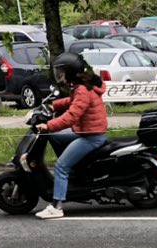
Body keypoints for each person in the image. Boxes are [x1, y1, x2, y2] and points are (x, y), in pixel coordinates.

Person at [33, 52, 108, 220]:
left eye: (61, 71)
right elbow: (71, 101)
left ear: (70, 71)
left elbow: (72, 116)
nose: (59, 75)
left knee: (61, 166)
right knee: (54, 136)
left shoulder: (82, 89)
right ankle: (74, 170)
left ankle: (57, 207)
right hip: (88, 132)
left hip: (91, 137)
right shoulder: (83, 85)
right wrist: (53, 106)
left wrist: (48, 125)